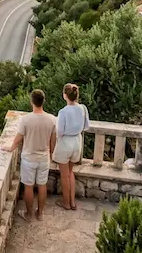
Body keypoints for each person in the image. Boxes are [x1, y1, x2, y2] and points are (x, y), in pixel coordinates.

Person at [8, 89, 56, 221]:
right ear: (43, 101)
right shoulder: (52, 119)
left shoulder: (25, 120)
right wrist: (51, 154)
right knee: (42, 185)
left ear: (31, 102)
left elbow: (18, 139)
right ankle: (40, 214)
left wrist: (11, 148)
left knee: (28, 187)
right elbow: (53, 141)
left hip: (29, 157)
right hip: (44, 157)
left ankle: (28, 214)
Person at [53, 83, 90, 211]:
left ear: (65, 95)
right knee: (70, 172)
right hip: (77, 142)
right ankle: (73, 202)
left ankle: (66, 203)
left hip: (65, 143)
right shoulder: (83, 108)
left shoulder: (63, 112)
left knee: (64, 175)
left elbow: (60, 131)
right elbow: (86, 126)